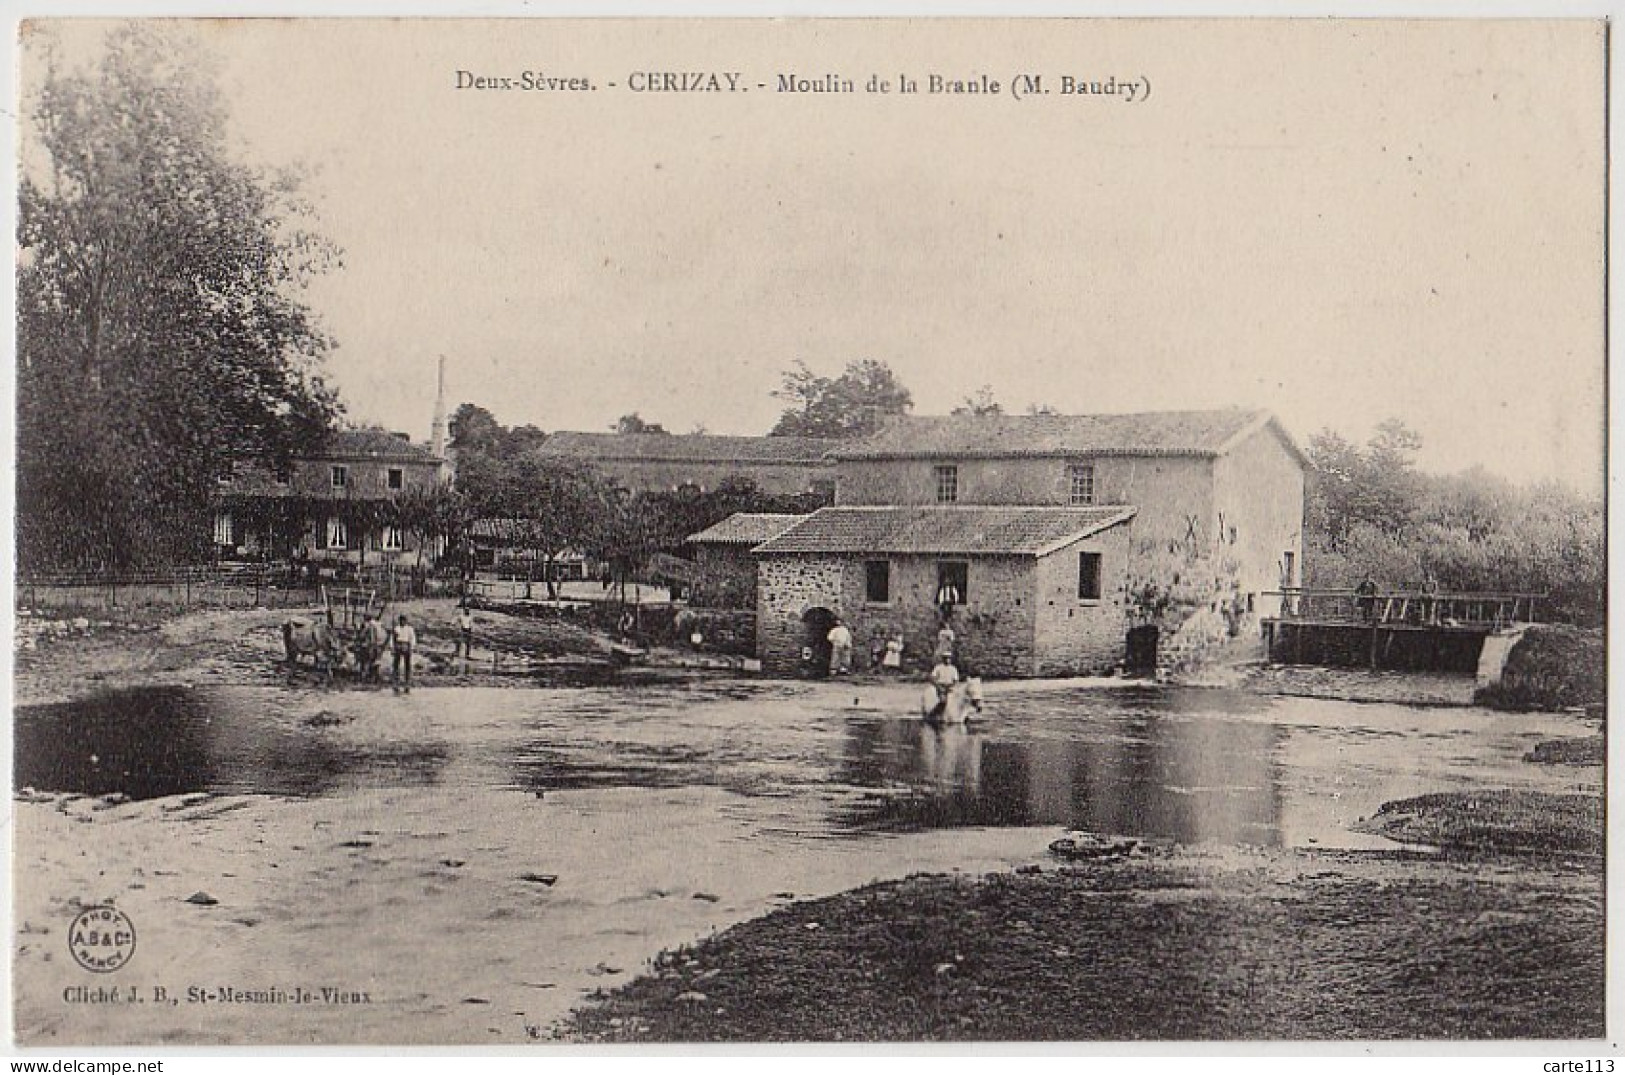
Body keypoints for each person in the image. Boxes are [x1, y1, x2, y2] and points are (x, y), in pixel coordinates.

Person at [359, 612, 389, 683]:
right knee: (376, 661)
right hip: (380, 645)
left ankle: (365, 678)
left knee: (367, 661)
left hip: (371, 645)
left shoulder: (369, 625)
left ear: (366, 618)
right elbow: (386, 634)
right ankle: (375, 678)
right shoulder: (379, 624)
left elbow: (363, 635)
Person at [391, 613, 416, 693]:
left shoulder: (409, 629)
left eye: (404, 620)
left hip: (406, 646)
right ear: (399, 621)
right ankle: (396, 683)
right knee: (396, 665)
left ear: (406, 621)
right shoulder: (396, 628)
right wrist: (392, 648)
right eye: (401, 620)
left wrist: (411, 648)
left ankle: (407, 684)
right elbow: (393, 639)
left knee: (407, 666)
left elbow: (412, 639)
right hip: (398, 646)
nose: (402, 622)